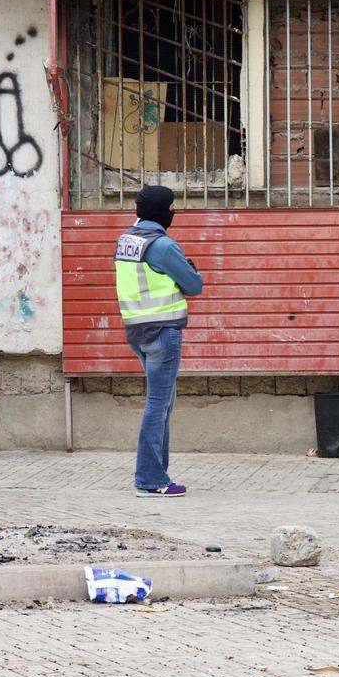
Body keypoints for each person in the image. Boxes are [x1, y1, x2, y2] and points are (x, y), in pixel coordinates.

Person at [115, 185, 203, 498]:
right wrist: (191, 270)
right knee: (158, 405)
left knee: (161, 403)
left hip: (137, 331)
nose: (173, 212)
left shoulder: (126, 240)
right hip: (162, 333)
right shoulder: (163, 246)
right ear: (161, 211)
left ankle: (157, 474)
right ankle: (150, 479)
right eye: (171, 206)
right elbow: (194, 286)